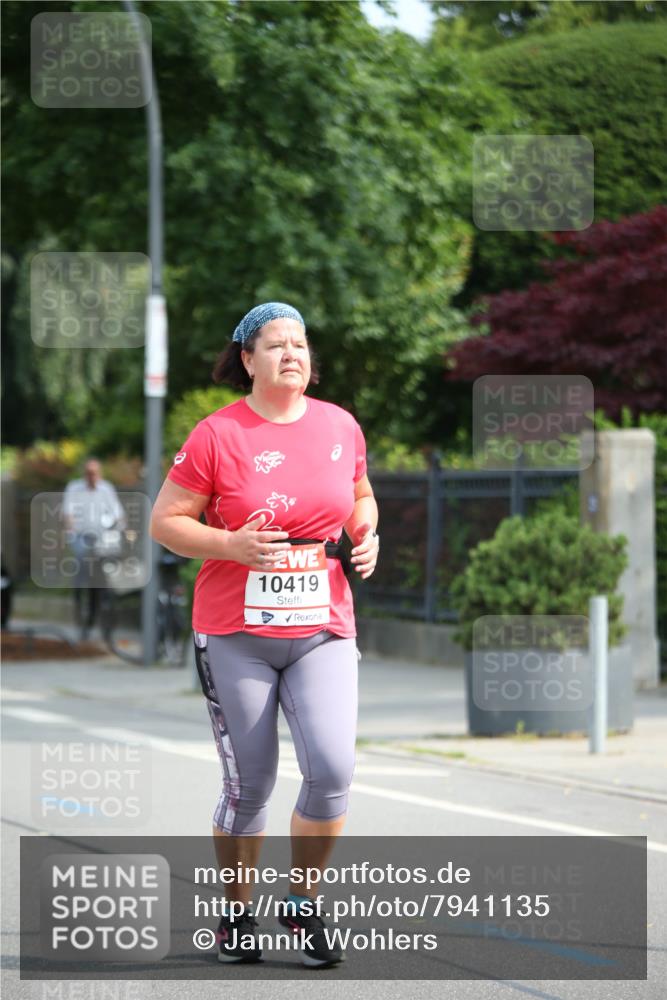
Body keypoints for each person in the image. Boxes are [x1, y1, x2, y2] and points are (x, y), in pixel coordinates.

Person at [150, 302, 379, 968]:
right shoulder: (217, 435)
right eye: (276, 344)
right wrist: (229, 543)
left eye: (301, 344)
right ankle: (235, 913)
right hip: (233, 632)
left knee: (332, 769)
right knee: (250, 785)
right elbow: (166, 521)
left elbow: (359, 496)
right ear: (247, 359)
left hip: (323, 627)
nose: (292, 354)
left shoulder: (339, 426)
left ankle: (303, 904)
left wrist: (366, 535)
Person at [62, 457, 125, 640]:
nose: (92, 477)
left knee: (110, 570)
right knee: (82, 561)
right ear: (84, 474)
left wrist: (121, 527)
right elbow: (68, 514)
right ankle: (79, 596)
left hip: (103, 538)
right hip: (82, 537)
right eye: (89, 473)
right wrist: (72, 529)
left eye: (95, 473)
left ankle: (107, 602)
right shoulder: (74, 489)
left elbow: (118, 514)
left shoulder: (107, 489)